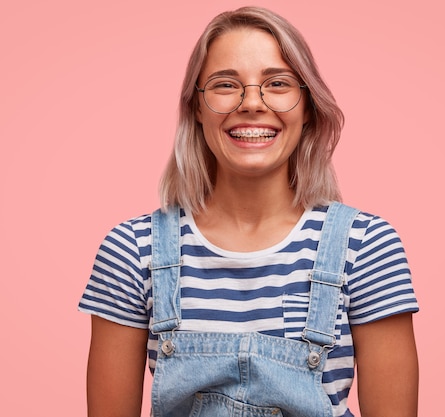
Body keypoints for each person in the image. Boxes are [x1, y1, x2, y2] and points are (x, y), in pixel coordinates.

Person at [79, 6, 419, 417]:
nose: (252, 103)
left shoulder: (366, 247)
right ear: (196, 109)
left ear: (308, 107)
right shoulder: (133, 251)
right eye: (226, 85)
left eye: (277, 83)